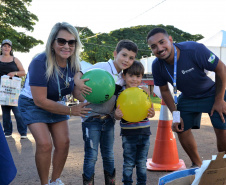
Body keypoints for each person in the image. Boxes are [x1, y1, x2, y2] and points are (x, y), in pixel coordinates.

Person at [18, 22, 91, 185]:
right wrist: (72, 111)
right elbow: (40, 100)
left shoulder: (74, 64)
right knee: (44, 144)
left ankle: (55, 180)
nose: (67, 46)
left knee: (64, 143)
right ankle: (45, 183)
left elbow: (74, 90)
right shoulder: (39, 61)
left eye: (71, 42)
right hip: (33, 103)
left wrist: (89, 101)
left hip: (56, 101)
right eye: (61, 41)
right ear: (52, 42)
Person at [147, 27, 226, 167]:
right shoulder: (157, 65)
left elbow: (221, 68)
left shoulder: (194, 49)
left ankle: (222, 165)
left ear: (170, 40)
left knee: (222, 127)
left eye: (162, 42)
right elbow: (164, 91)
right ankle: (196, 164)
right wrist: (175, 115)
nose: (159, 48)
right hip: (188, 97)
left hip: (212, 92)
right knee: (180, 127)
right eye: (154, 46)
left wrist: (219, 100)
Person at [74, 39, 138, 185]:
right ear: (115, 53)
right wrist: (78, 82)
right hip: (91, 119)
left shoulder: (123, 78)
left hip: (109, 120)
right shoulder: (102, 67)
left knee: (109, 155)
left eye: (131, 58)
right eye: (124, 55)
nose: (127, 60)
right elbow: (80, 73)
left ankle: (111, 182)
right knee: (91, 155)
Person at [114, 61, 155, 185]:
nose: (134, 79)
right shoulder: (120, 93)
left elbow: (151, 111)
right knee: (128, 163)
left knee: (142, 163)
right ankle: (127, 183)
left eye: (138, 76)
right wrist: (117, 114)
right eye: (131, 76)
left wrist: (151, 113)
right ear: (124, 76)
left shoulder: (144, 92)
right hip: (128, 134)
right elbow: (116, 116)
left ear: (141, 77)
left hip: (144, 132)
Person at [0, 39, 27, 139]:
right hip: (2, 90)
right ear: (1, 47)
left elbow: (23, 72)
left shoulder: (15, 59)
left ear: (11, 48)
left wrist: (14, 73)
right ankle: (7, 132)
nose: (6, 48)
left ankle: (23, 132)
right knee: (5, 113)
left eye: (8, 46)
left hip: (14, 90)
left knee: (18, 112)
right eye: (4, 46)